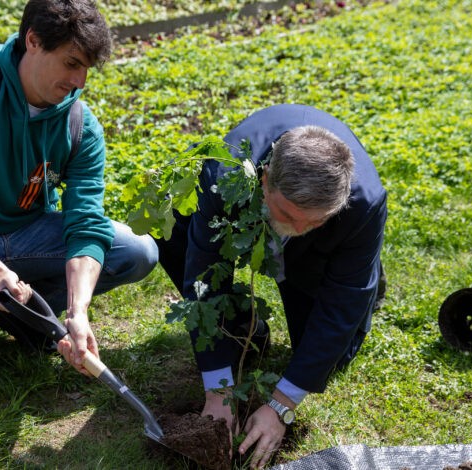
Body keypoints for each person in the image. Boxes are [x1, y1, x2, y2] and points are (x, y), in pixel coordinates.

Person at [0, 0, 158, 392]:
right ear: (33, 41)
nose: (81, 81)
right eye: (72, 63)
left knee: (137, 252)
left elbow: (86, 223)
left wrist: (78, 311)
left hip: (27, 232)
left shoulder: (79, 125)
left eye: (87, 68)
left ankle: (23, 314)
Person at [157, 104, 387, 468]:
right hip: (233, 211)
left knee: (334, 352)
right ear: (264, 179)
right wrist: (218, 391)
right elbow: (202, 276)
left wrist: (281, 405)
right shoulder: (224, 177)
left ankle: (361, 269)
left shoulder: (364, 205)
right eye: (288, 216)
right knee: (174, 234)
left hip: (318, 257)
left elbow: (342, 303)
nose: (296, 228)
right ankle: (242, 326)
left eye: (312, 222)